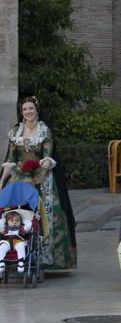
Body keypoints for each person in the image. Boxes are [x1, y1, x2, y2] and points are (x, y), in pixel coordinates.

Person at [0, 97, 77, 270]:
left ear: (37, 110)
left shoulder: (44, 131)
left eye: (31, 108)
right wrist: (2, 180)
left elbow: (47, 157)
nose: (28, 112)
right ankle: (10, 254)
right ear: (22, 112)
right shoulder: (16, 131)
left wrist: (39, 177)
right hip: (19, 175)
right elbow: (11, 159)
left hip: (41, 173)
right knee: (9, 205)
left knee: (52, 209)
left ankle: (45, 257)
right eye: (25, 109)